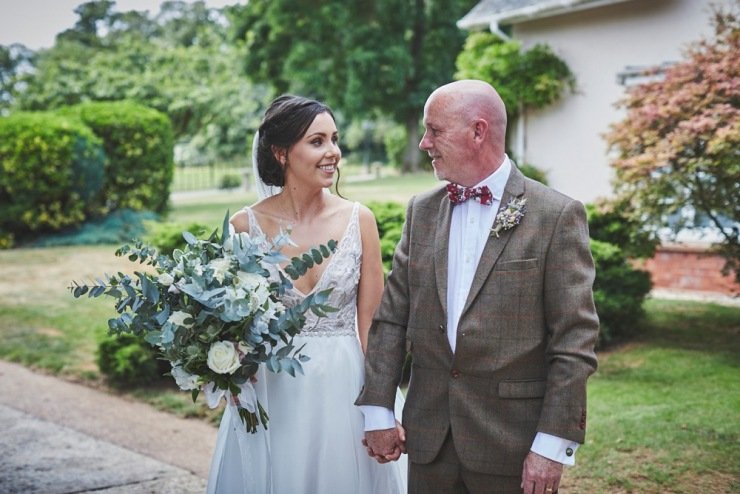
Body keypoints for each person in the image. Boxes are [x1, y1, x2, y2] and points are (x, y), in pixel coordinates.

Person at [357, 79, 600, 494]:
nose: (423, 143)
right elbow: (393, 319)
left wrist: (551, 446)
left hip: (512, 444)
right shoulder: (422, 211)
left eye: (434, 130)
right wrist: (378, 409)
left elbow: (574, 342)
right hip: (429, 440)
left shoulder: (556, 215)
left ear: (478, 131)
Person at [207, 95, 407, 493]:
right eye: (317, 141)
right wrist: (228, 364)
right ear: (281, 153)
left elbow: (373, 323)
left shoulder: (358, 219)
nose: (333, 152)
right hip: (273, 389)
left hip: (346, 386)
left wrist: (380, 404)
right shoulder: (244, 226)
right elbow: (227, 320)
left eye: (334, 139)